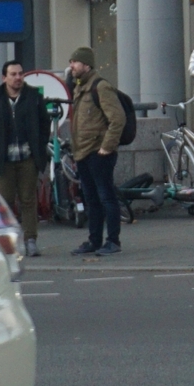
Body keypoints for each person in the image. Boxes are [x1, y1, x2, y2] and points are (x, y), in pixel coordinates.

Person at [65, 46, 128, 256]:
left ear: (86, 65)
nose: (71, 66)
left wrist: (106, 148)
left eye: (74, 62)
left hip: (97, 152)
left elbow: (117, 119)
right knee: (91, 198)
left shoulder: (100, 87)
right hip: (83, 152)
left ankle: (113, 241)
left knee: (106, 197)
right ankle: (94, 240)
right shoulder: (80, 87)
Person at [0, 59, 50, 255]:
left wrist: (38, 147)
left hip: (27, 158)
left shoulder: (33, 97)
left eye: (20, 74)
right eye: (13, 74)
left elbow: (44, 124)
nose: (18, 78)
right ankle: (7, 243)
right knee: (5, 202)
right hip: (4, 160)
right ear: (4, 77)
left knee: (28, 200)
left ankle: (30, 240)